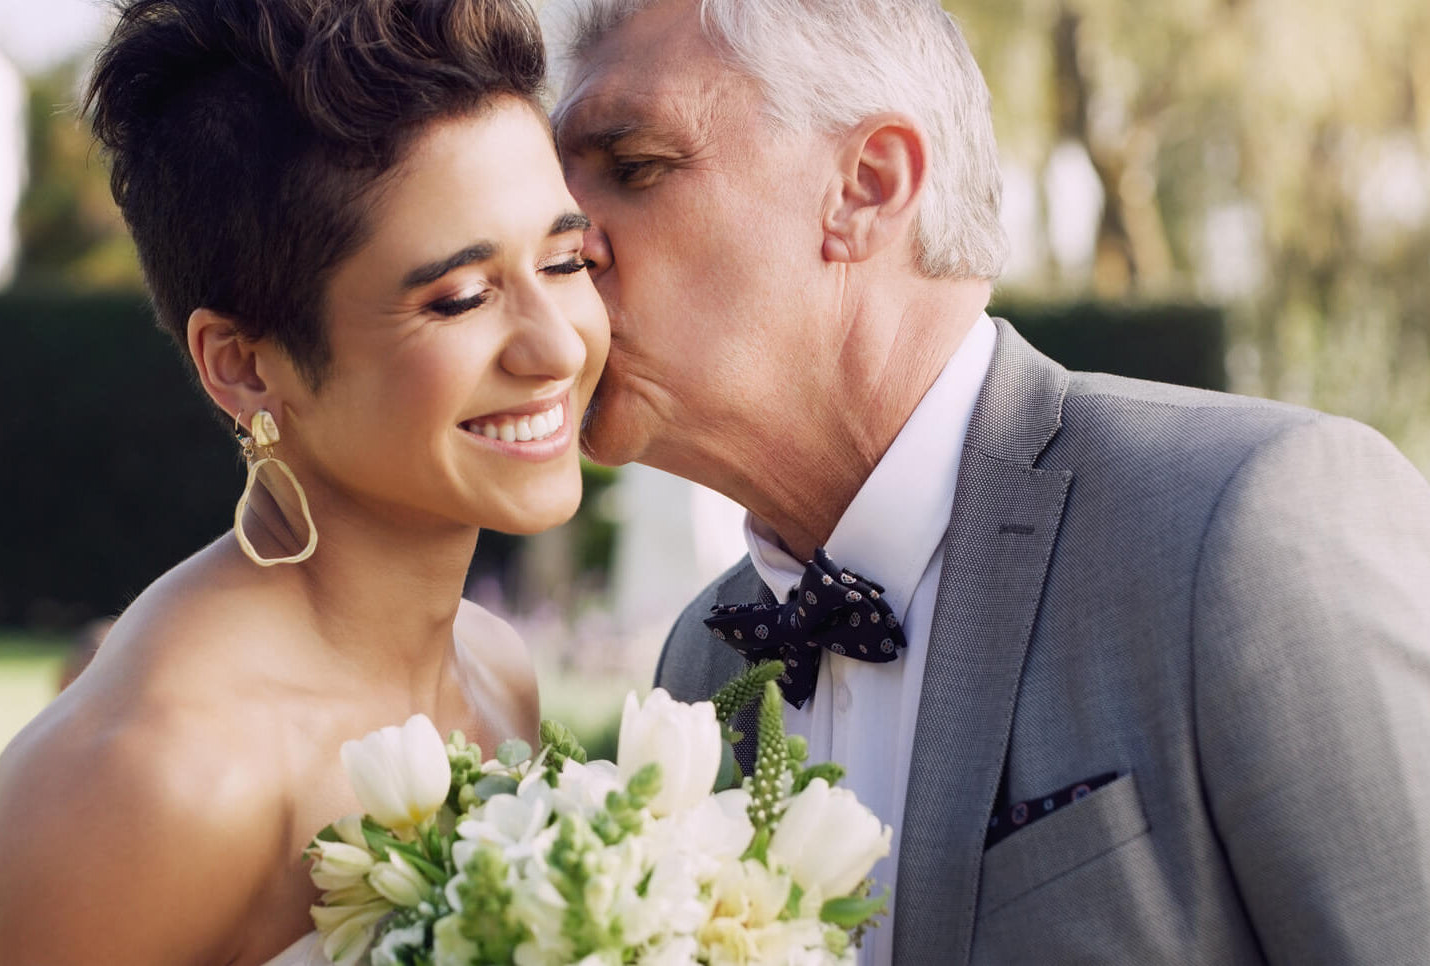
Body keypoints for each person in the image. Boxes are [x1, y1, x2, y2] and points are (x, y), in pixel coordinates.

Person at [550, 0, 1430, 963]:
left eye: (632, 168)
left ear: (864, 189)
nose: (558, 242)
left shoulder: (1246, 525)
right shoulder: (700, 665)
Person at [0, 0, 606, 962]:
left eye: (566, 259)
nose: (558, 344)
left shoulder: (494, 670)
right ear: (241, 364)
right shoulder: (164, 774)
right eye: (458, 297)